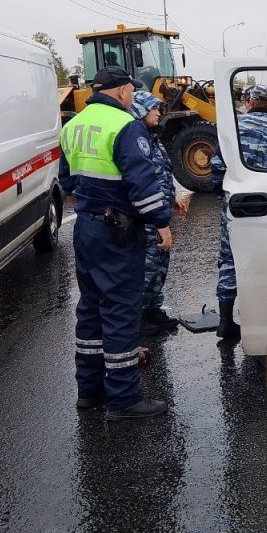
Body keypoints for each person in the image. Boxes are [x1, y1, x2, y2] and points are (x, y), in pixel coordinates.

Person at [59, 66, 173, 422]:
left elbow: (66, 181)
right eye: (130, 91)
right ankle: (123, 399)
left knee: (91, 309)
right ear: (124, 91)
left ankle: (89, 392)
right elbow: (143, 184)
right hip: (117, 233)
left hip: (86, 229)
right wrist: (161, 223)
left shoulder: (73, 125)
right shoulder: (125, 126)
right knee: (121, 310)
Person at [211, 85, 267, 341]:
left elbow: (217, 166)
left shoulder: (233, 127)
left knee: (230, 258)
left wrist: (224, 188)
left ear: (249, 102)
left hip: (237, 203)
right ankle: (263, 321)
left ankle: (226, 322)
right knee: (266, 259)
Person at [129, 90, 182, 335]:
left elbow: (162, 172)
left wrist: (173, 198)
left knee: (160, 263)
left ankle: (152, 309)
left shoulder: (153, 139)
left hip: (160, 210)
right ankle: (137, 319)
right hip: (148, 216)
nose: (159, 113)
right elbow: (140, 180)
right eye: (153, 109)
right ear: (139, 110)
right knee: (147, 265)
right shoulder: (136, 140)